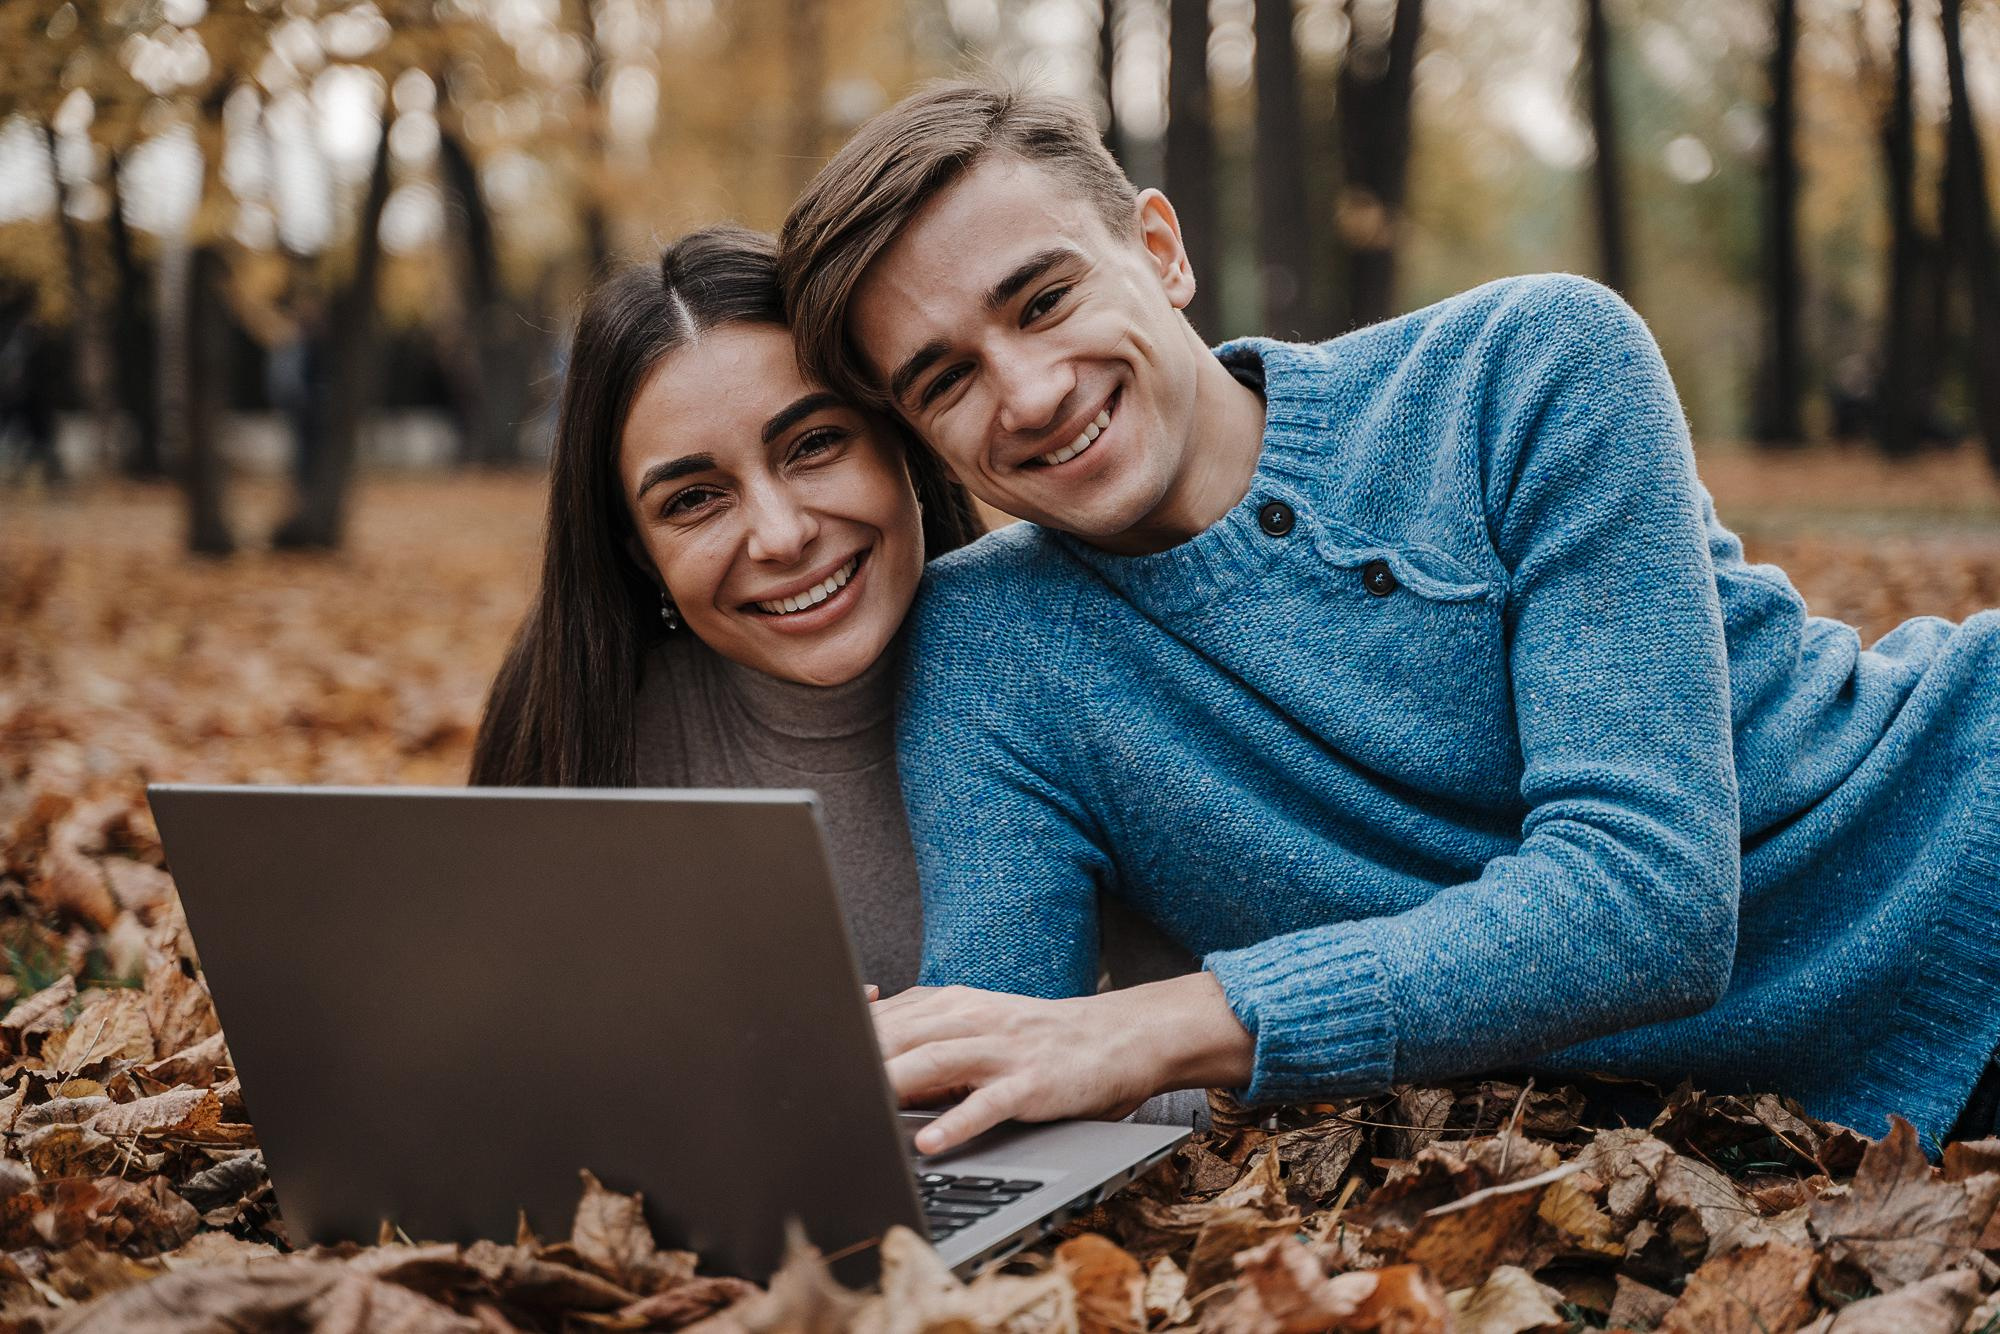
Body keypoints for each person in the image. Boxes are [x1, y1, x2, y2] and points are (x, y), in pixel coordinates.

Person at [775, 82, 2000, 1157]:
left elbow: (1647, 898)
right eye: (943, 377)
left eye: (1042, 300)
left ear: (1159, 249)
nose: (1028, 393)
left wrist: (1155, 1027)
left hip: (1955, 833)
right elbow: (1004, 1045)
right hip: (1777, 1115)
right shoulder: (989, 649)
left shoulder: (1521, 370)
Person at [469, 226, 1204, 1121]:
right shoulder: (581, 722)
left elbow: (1219, 1092)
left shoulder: (1083, 660)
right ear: (638, 548)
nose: (781, 536)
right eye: (694, 500)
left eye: (814, 444)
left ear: (905, 442)